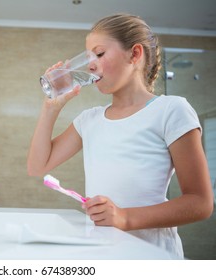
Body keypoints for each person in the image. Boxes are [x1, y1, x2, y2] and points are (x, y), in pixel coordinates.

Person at [27, 13, 214, 258]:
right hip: (105, 255)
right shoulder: (89, 119)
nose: (91, 64)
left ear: (135, 54)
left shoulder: (171, 110)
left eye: (100, 53)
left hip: (153, 258)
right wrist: (51, 107)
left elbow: (200, 202)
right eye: (89, 56)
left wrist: (124, 217)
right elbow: (37, 166)